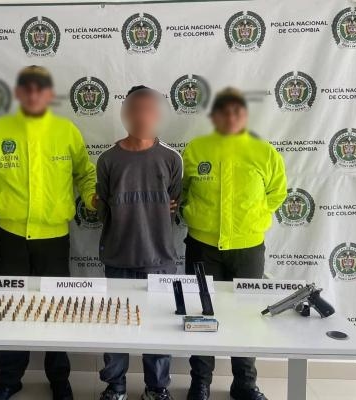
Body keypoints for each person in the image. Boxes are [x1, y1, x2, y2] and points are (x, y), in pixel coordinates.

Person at [0, 65, 96, 400]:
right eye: (28, 87)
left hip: (54, 240)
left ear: (49, 93)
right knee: (10, 309)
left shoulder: (67, 131)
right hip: (11, 240)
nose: (34, 93)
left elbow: (85, 175)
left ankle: (59, 379)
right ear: (19, 92)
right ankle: (9, 379)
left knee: (57, 309)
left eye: (41, 88)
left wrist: (94, 197)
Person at [182, 88, 287, 400]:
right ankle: (200, 383)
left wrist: (255, 217)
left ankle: (244, 384)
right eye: (224, 111)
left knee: (247, 317)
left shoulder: (264, 152)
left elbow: (277, 193)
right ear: (214, 115)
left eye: (237, 111)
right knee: (201, 315)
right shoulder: (196, 149)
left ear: (245, 115)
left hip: (248, 249)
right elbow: (181, 190)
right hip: (202, 247)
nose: (230, 117)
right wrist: (189, 212)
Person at [96, 86, 182, 400]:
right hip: (118, 258)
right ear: (125, 113)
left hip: (160, 260)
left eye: (149, 109)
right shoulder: (107, 160)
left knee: (158, 327)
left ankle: (157, 388)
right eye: (135, 109)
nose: (142, 115)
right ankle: (115, 386)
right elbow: (103, 208)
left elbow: (175, 204)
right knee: (115, 325)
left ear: (158, 114)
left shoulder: (171, 158)